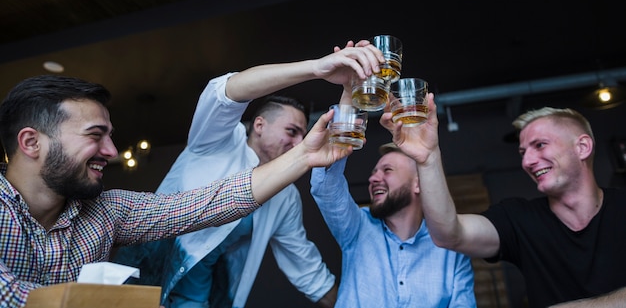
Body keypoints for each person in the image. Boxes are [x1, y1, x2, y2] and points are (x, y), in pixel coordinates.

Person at [0, 74, 356, 308]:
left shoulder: (107, 211)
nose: (110, 151)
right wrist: (319, 66)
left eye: (110, 136)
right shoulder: (220, 142)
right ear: (31, 142)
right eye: (96, 135)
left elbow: (205, 206)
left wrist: (306, 157)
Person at [113, 40, 385, 308]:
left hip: (201, 299)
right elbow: (226, 91)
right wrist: (317, 68)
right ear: (259, 125)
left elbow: (305, 267)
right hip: (143, 282)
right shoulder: (217, 142)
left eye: (303, 134)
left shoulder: (286, 197)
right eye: (291, 131)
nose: (299, 141)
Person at [380, 93, 626, 308]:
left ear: (582, 147)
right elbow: (449, 234)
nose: (527, 161)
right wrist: (428, 157)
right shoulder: (518, 218)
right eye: (523, 152)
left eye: (539, 145)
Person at [308, 87, 476, 308]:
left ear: (418, 183)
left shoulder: (451, 250)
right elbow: (326, 186)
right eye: (374, 172)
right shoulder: (357, 227)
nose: (373, 178)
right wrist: (351, 90)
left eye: (387, 170)